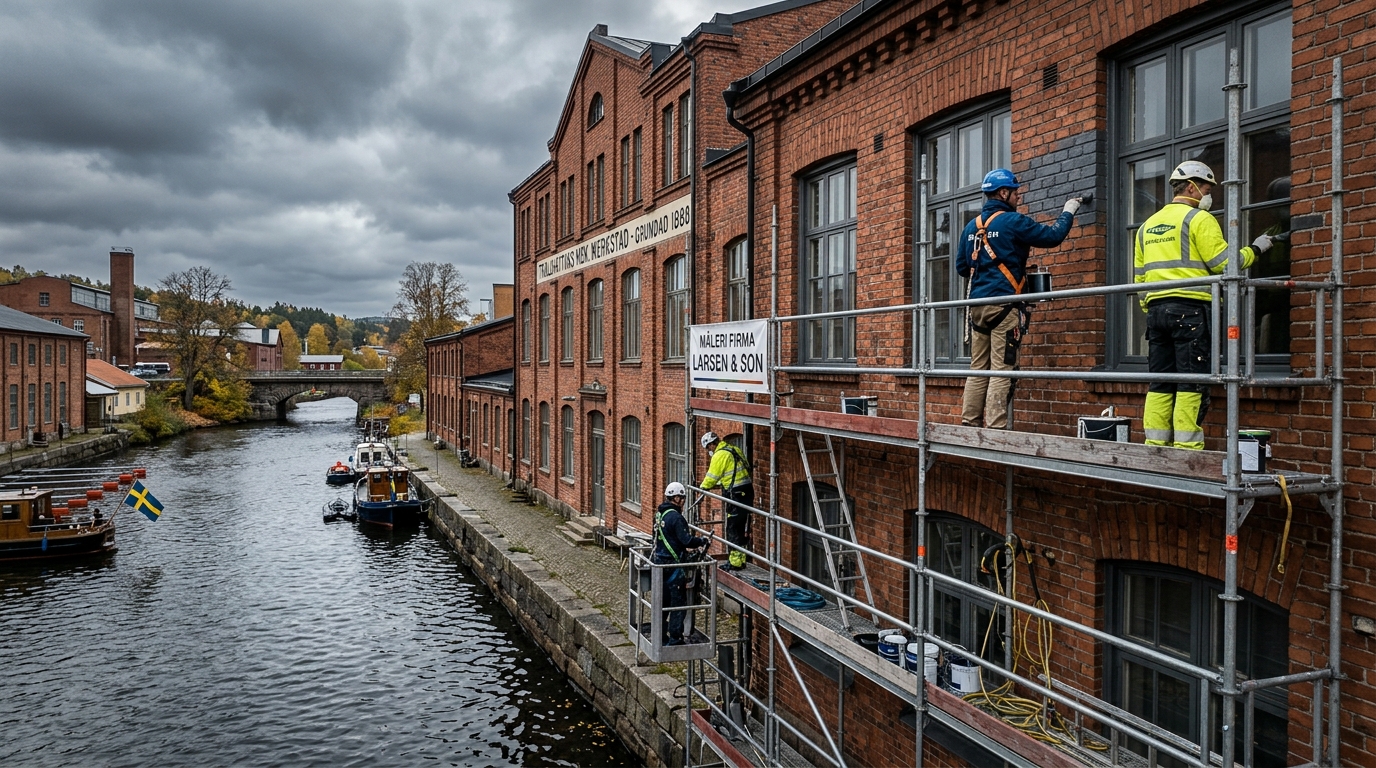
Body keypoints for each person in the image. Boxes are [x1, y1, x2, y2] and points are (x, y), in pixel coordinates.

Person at [1134, 160, 1270, 450]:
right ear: (1193, 187)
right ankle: (1186, 451)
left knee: (1159, 381)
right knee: (1190, 380)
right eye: (1207, 188)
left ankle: (1154, 445)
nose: (1209, 194)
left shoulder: (1147, 226)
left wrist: (1152, 309)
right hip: (1190, 311)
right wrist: (1256, 249)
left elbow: (1139, 279)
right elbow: (1224, 264)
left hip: (1156, 314)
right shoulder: (1198, 219)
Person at [956, 169, 1085, 429]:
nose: (1017, 197)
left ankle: (969, 422)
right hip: (1004, 307)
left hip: (977, 309)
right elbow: (1052, 236)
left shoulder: (971, 227)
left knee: (978, 368)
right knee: (1002, 368)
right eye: (1015, 193)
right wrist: (1068, 211)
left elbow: (962, 267)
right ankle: (996, 428)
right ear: (1004, 193)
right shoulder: (1013, 221)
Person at [652, 482, 708, 645]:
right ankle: (675, 638)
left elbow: (658, 536)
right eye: (682, 498)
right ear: (676, 498)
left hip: (660, 562)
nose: (683, 501)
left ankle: (660, 636)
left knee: (663, 602)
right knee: (678, 603)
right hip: (673, 565)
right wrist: (701, 540)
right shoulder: (676, 517)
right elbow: (686, 540)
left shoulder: (660, 514)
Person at [699, 431, 751, 570]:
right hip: (747, 491)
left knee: (733, 528)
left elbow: (712, 476)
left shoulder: (720, 454)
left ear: (711, 444)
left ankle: (734, 562)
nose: (709, 451)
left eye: (708, 448)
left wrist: (702, 488)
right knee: (742, 527)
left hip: (735, 494)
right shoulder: (734, 449)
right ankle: (741, 560)